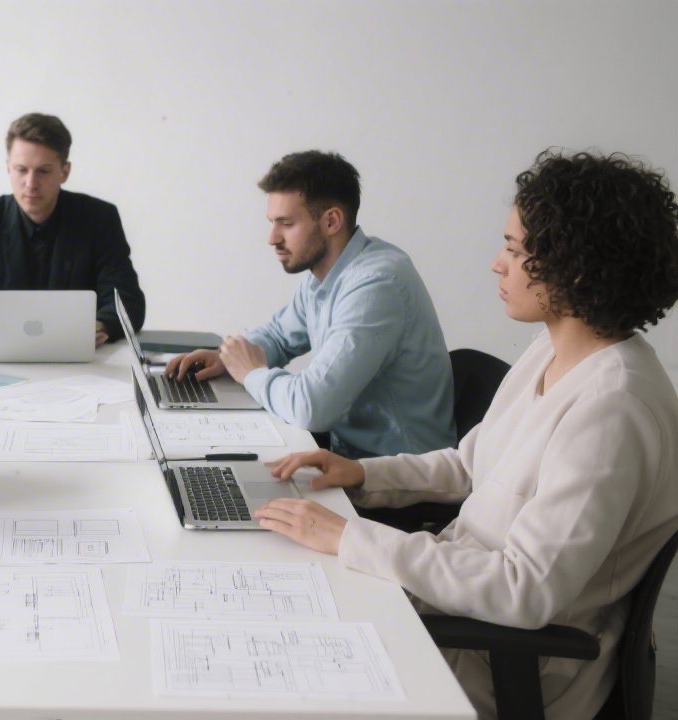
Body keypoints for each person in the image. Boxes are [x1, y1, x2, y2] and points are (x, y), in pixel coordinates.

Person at [256, 151, 678, 720]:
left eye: (514, 248)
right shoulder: (554, 350)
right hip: (456, 609)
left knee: (279, 661)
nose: (496, 265)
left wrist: (352, 540)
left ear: (576, 267)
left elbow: (523, 590)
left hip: (505, 662)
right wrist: (361, 474)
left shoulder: (613, 409)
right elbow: (470, 463)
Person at [166, 150, 455, 458]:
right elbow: (279, 335)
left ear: (331, 221)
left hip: (396, 483)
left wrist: (250, 372)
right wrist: (226, 358)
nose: (272, 238)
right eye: (271, 222)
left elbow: (311, 408)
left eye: (286, 224)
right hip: (347, 459)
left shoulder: (376, 285)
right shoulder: (327, 272)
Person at [0, 112, 146, 346]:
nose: (30, 183)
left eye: (43, 171)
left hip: (79, 359)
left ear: (64, 172)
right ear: (8, 168)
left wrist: (99, 327)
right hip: (4, 358)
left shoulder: (99, 218)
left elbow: (128, 302)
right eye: (21, 169)